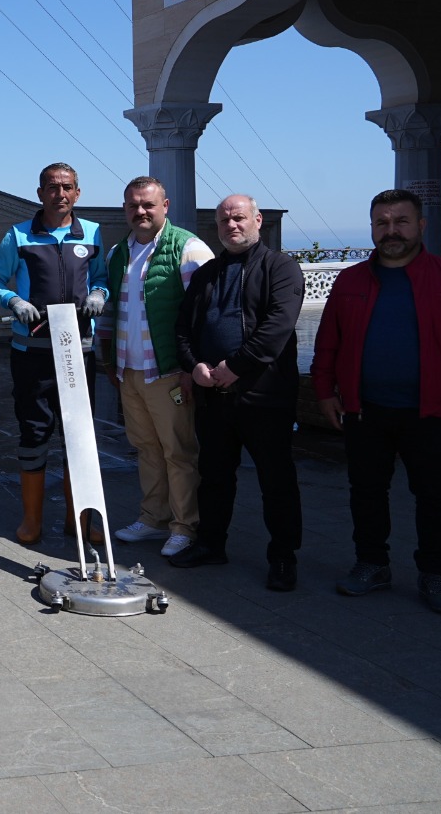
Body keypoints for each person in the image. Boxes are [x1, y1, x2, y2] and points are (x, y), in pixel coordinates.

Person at [312, 189, 441, 614]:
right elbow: (328, 343)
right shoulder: (350, 281)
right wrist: (324, 392)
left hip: (431, 412)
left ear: (421, 226)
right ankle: (372, 564)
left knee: (436, 497)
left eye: (401, 221)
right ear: (372, 228)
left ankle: (435, 574)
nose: (391, 230)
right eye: (382, 223)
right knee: (366, 492)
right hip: (365, 410)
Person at [172, 195, 305, 590]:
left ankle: (283, 557)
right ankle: (211, 544)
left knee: (276, 481)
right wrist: (194, 365)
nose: (232, 225)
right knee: (214, 477)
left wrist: (235, 367)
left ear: (258, 220)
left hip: (264, 397)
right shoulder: (207, 274)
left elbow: (277, 328)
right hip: (213, 396)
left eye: (239, 217)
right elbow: (183, 328)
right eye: (224, 220)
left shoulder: (280, 268)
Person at [0, 162, 108, 544]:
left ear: (78, 192)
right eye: (53, 187)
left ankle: (80, 519)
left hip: (78, 351)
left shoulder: (92, 233)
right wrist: (14, 301)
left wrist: (99, 294)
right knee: (34, 432)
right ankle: (32, 520)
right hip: (32, 353)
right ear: (40, 193)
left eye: (67, 187)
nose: (60, 194)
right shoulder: (18, 235)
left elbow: (101, 277)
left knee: (79, 436)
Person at [98, 177, 213, 559]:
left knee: (178, 451)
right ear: (125, 209)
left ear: (165, 206)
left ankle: (184, 526)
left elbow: (206, 314)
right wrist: (109, 361)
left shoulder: (188, 248)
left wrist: (191, 367)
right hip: (130, 372)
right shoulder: (119, 253)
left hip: (169, 373)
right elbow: (111, 311)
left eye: (148, 204)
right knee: (146, 448)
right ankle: (154, 518)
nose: (140, 211)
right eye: (133, 205)